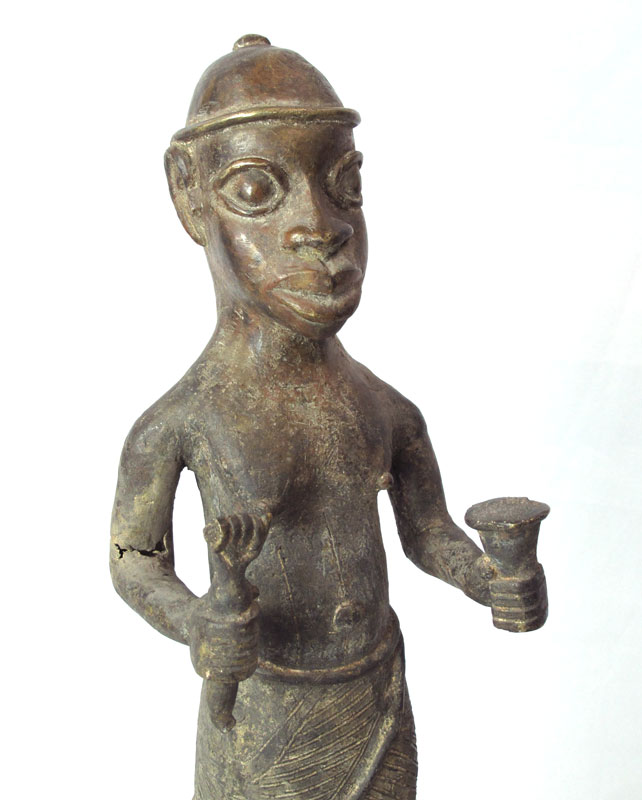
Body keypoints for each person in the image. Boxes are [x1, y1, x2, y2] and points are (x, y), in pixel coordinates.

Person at [110, 35, 540, 800]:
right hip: (263, 709)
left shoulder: (385, 409)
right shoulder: (181, 423)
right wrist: (199, 622)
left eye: (344, 184)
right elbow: (135, 559)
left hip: (375, 696)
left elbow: (427, 531)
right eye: (257, 189)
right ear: (188, 194)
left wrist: (490, 578)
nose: (320, 224)